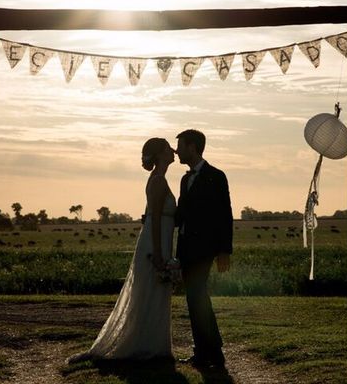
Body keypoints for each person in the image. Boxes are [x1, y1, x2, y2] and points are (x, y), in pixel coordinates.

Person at [66, 137, 177, 363]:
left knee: (154, 291)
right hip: (155, 241)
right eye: (168, 148)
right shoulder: (157, 181)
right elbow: (155, 219)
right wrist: (157, 253)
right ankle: (145, 346)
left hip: (161, 239)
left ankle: (154, 344)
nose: (173, 151)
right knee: (149, 289)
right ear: (159, 155)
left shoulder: (160, 179)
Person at [174, 129, 233, 368]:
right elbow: (181, 215)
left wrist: (224, 250)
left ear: (193, 147)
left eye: (180, 146)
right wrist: (155, 218)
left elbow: (225, 214)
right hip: (186, 247)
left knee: (196, 295)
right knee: (195, 298)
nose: (177, 150)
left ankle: (212, 352)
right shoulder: (185, 179)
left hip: (205, 249)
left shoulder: (216, 176)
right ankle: (206, 352)